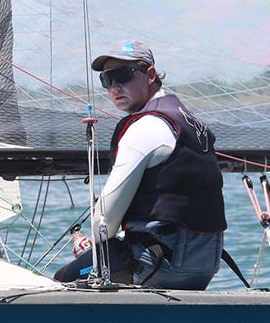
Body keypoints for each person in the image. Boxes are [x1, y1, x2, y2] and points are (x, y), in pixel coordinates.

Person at [54, 40, 227, 289]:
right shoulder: (189, 121)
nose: (114, 87)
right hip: (204, 266)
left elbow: (103, 223)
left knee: (63, 280)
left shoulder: (146, 127)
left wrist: (94, 245)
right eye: (106, 80)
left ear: (151, 75)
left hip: (161, 266)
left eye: (122, 76)